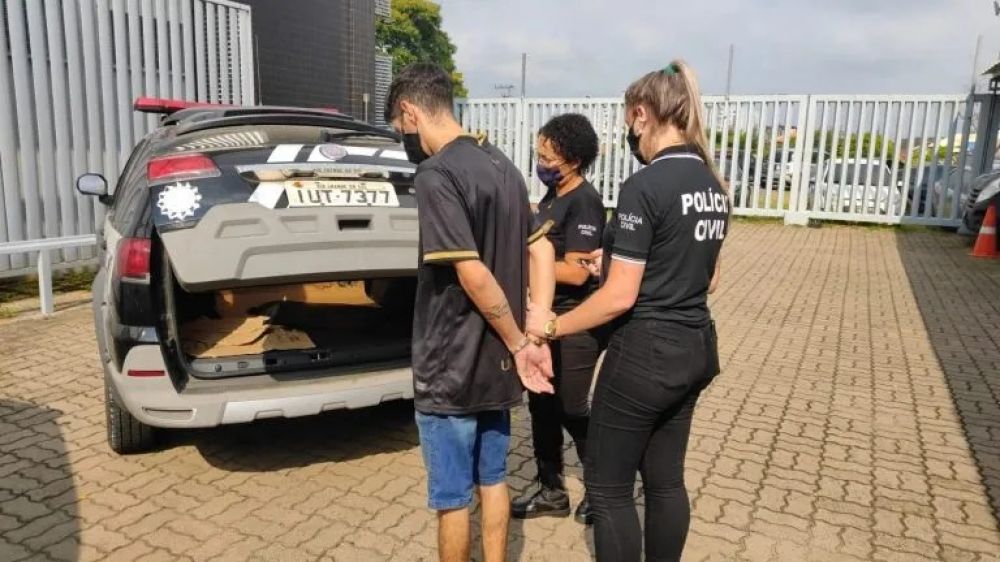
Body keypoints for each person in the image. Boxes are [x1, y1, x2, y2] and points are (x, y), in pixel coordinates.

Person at [527, 60, 728, 562]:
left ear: (641, 114)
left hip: (645, 355)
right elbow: (708, 277)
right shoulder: (712, 184)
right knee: (665, 482)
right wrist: (614, 258)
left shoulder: (645, 185)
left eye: (627, 121)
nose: (628, 134)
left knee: (609, 487)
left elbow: (619, 297)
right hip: (695, 347)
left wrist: (552, 324)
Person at [385, 62, 557, 562]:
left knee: (453, 499)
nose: (403, 139)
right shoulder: (502, 165)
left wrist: (521, 342)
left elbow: (472, 273)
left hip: (450, 370)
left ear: (410, 111)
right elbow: (542, 250)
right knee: (494, 479)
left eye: (398, 129)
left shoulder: (436, 174)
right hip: (496, 370)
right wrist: (536, 327)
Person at [511, 114, 605, 525]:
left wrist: (529, 263)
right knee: (541, 406)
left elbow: (579, 271)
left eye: (548, 157)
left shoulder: (585, 201)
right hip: (543, 318)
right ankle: (551, 491)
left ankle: (603, 490)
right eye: (539, 155)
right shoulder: (552, 197)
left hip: (574, 320)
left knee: (571, 407)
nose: (541, 163)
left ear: (574, 159)